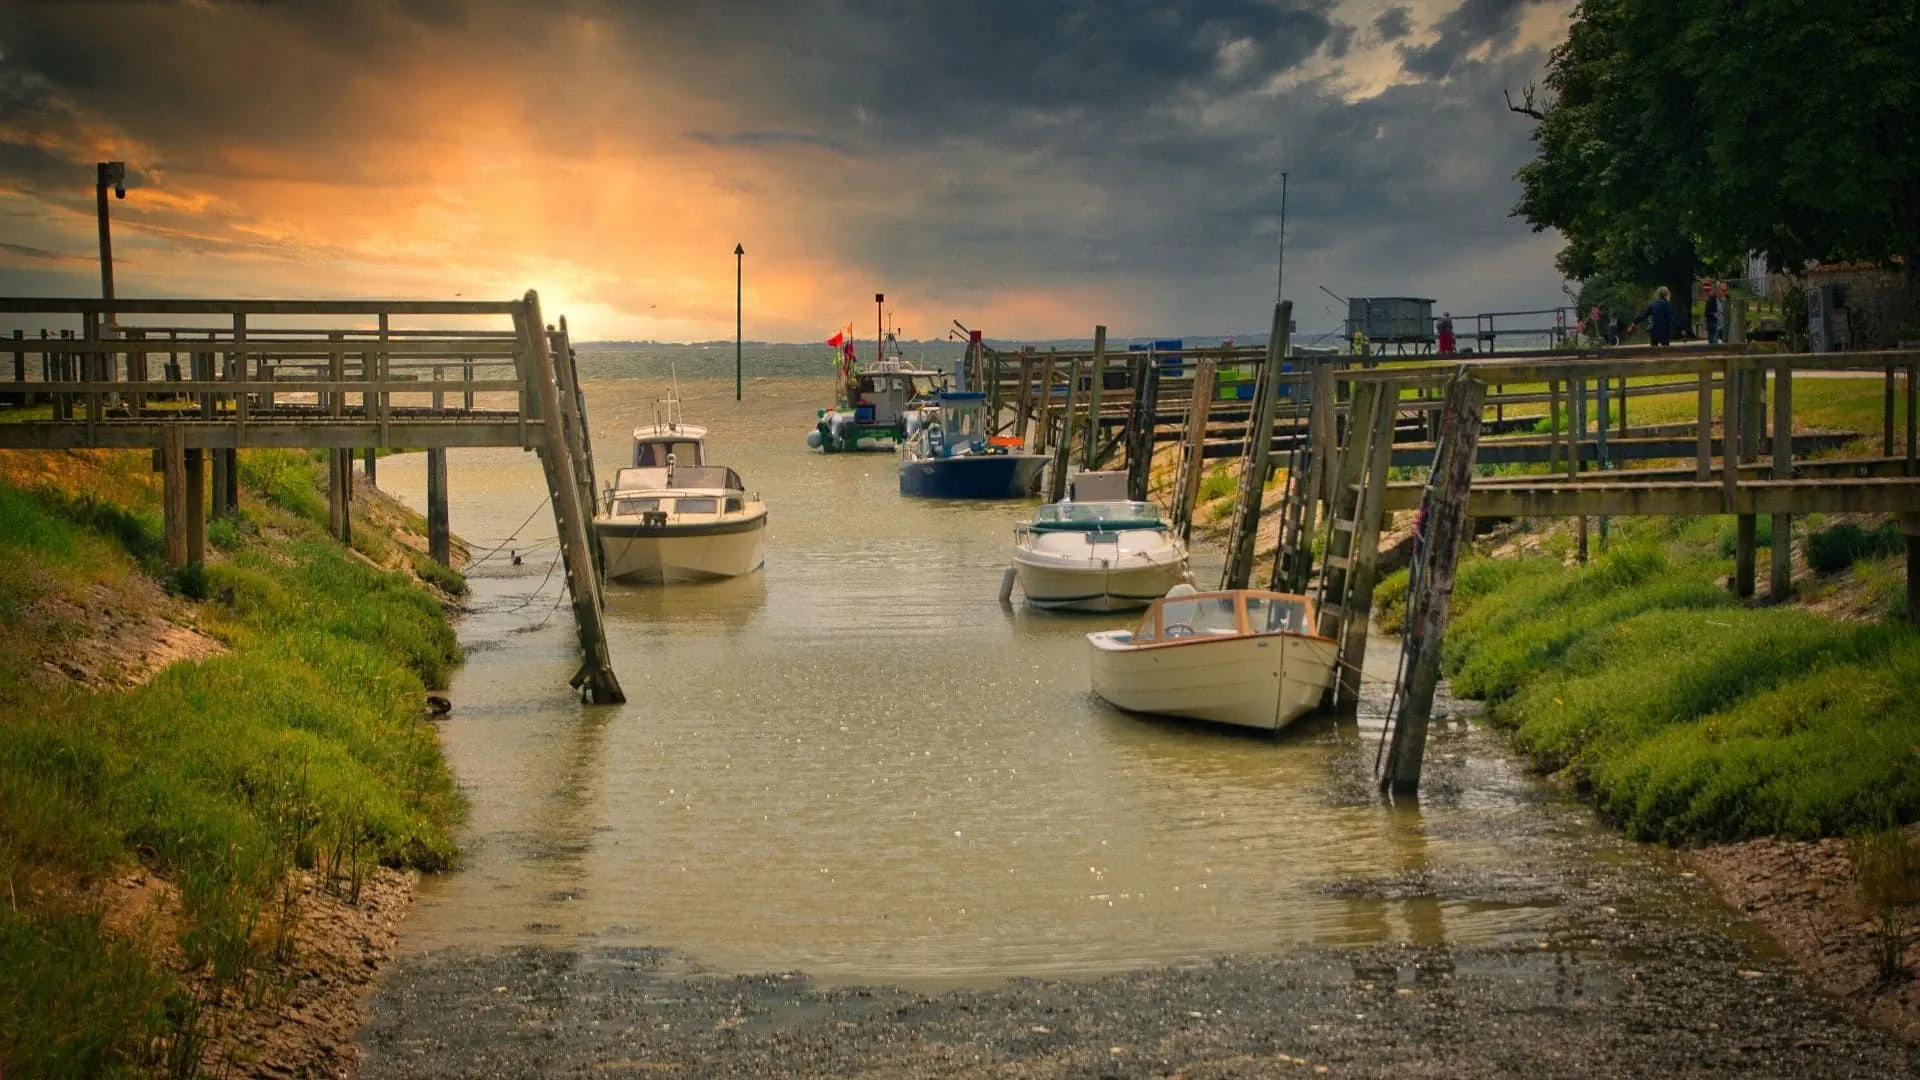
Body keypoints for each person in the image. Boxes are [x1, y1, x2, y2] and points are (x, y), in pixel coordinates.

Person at [1704, 280, 1724, 347]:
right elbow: (1706, 313)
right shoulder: (1711, 300)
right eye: (1722, 290)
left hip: (1724, 326)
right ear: (1718, 289)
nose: (1724, 292)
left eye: (1725, 290)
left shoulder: (1727, 299)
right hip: (1714, 325)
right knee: (1713, 345)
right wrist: (1713, 314)